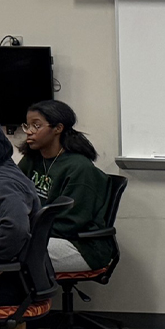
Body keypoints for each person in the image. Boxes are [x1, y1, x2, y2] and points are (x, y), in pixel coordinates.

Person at [17, 101, 112, 273]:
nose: (29, 131)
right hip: (41, 234)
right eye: (27, 125)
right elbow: (14, 195)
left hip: (80, 245)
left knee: (9, 252)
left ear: (58, 128)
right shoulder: (31, 160)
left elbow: (71, 223)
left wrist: (23, 230)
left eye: (36, 126)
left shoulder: (79, 168)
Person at [0, 113, 41, 329]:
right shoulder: (2, 169)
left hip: (5, 279)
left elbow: (16, 228)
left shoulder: (0, 183)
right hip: (18, 275)